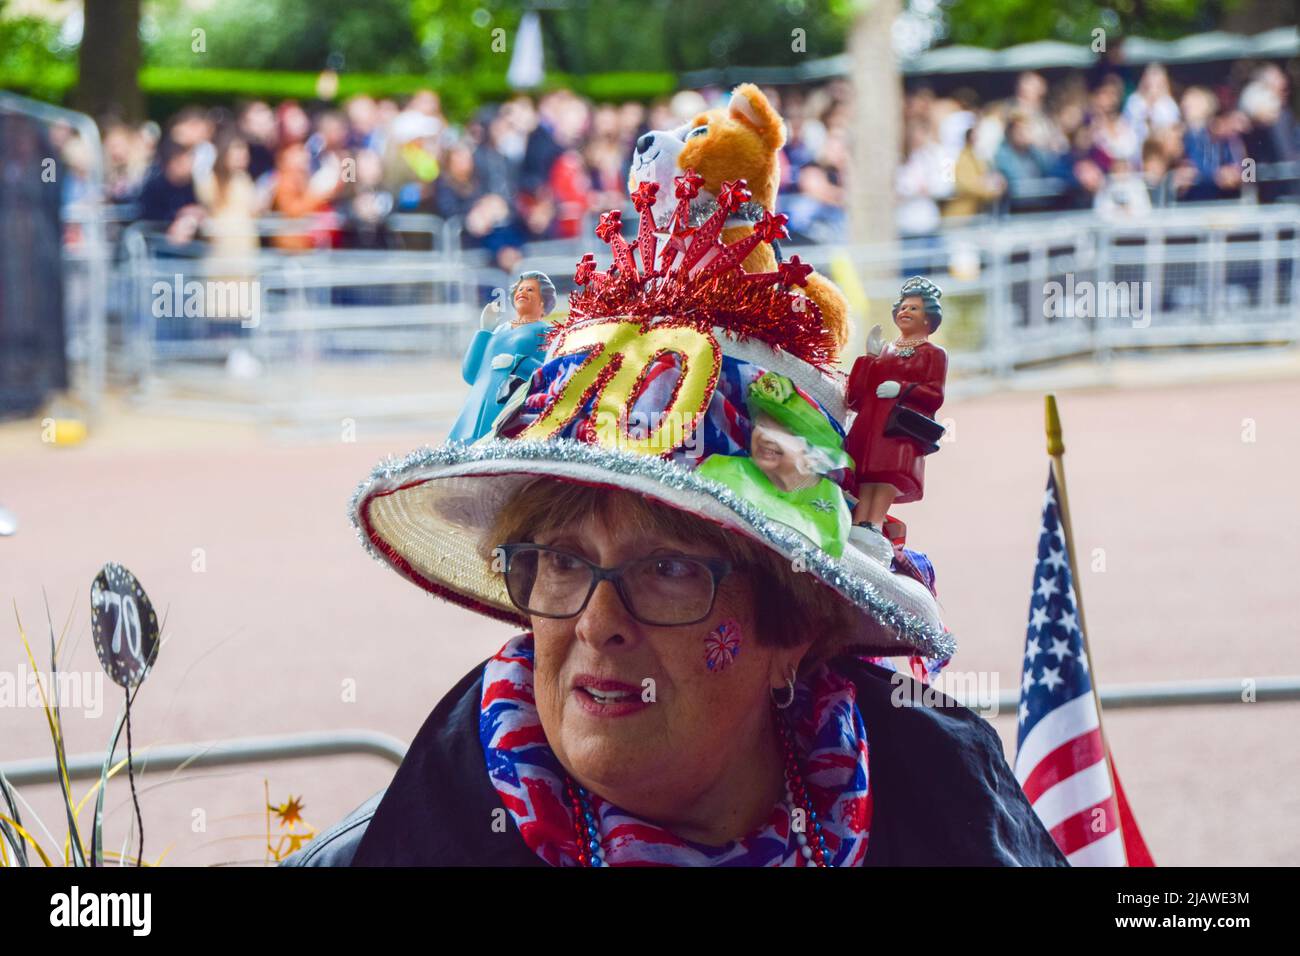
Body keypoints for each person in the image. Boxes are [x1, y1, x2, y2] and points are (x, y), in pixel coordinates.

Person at [283, 174, 1063, 868]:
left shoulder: (958, 820)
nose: (596, 624)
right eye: (559, 561)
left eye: (669, 569)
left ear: (794, 627)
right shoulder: (388, 851)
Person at [844, 277, 948, 564]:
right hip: (872, 423)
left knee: (888, 471)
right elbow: (856, 396)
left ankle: (874, 524)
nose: (906, 312)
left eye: (914, 309)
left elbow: (934, 394)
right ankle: (859, 519)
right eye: (903, 307)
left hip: (900, 426)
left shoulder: (934, 354)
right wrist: (868, 358)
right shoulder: (886, 351)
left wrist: (902, 389)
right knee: (868, 471)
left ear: (928, 318)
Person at [448, 271, 555, 444]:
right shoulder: (499, 330)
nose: (522, 293)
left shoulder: (545, 331)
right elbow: (470, 373)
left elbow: (550, 373)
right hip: (476, 407)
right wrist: (485, 331)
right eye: (520, 289)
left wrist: (517, 363)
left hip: (510, 407)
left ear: (543, 301)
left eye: (530, 290)